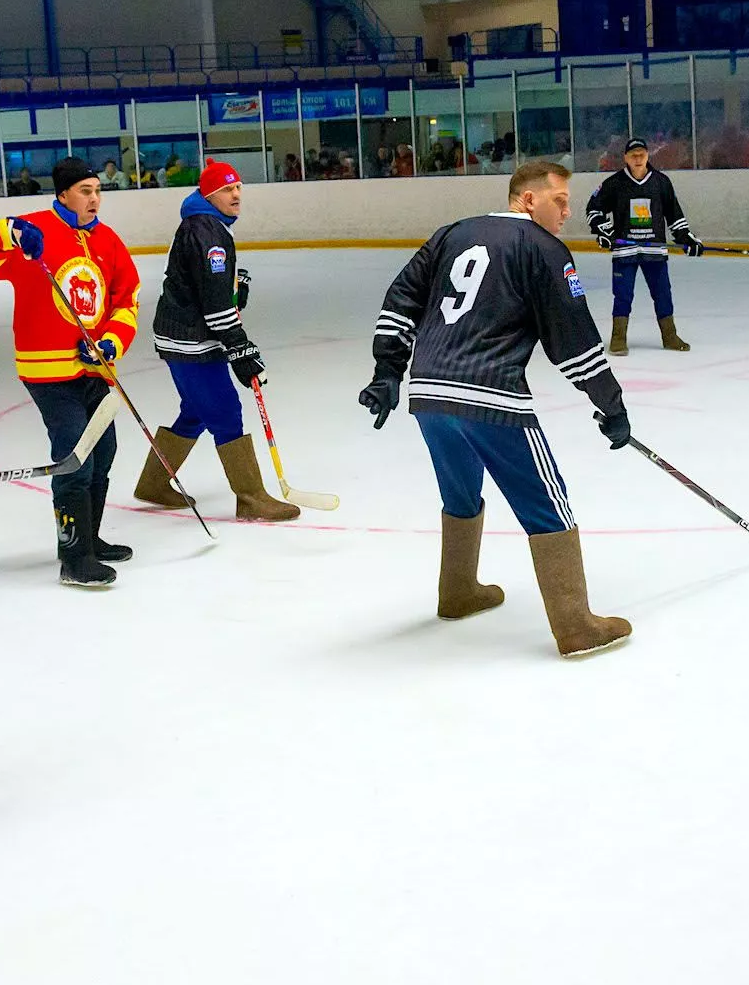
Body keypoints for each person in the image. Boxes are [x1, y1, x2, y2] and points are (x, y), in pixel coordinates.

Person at [360, 160, 632, 659]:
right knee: (547, 503)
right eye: (559, 201)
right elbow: (572, 338)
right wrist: (609, 404)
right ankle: (576, 626)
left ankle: (458, 591)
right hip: (492, 397)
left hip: (429, 391)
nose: (567, 213)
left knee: (460, 492)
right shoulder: (544, 249)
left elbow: (400, 299)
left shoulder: (452, 233)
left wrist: (388, 371)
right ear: (528, 199)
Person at [0, 157, 141, 589]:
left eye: (98, 191)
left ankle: (90, 539)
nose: (94, 199)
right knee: (75, 458)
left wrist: (111, 342)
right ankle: (74, 558)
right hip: (48, 373)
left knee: (104, 452)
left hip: (96, 370)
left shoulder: (107, 240)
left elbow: (127, 298)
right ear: (63, 194)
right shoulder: (33, 234)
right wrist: (8, 231)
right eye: (85, 191)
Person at [138, 159, 298, 522]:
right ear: (209, 195)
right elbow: (213, 306)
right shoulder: (209, 233)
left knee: (197, 410)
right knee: (225, 411)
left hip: (182, 333)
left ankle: (153, 483)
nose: (236, 194)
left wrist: (231, 291)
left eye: (238, 187)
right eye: (227, 189)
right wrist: (241, 347)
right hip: (190, 340)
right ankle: (251, 497)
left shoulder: (205, 224)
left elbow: (206, 289)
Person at [585, 136, 705, 356]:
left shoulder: (661, 182)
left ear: (648, 155)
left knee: (663, 293)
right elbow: (594, 209)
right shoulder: (614, 183)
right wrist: (604, 231)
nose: (638, 158)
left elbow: (674, 215)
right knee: (623, 295)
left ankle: (670, 335)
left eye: (641, 154)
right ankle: (618, 338)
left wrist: (687, 239)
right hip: (625, 251)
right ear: (625, 158)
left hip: (654, 251)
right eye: (633, 155)